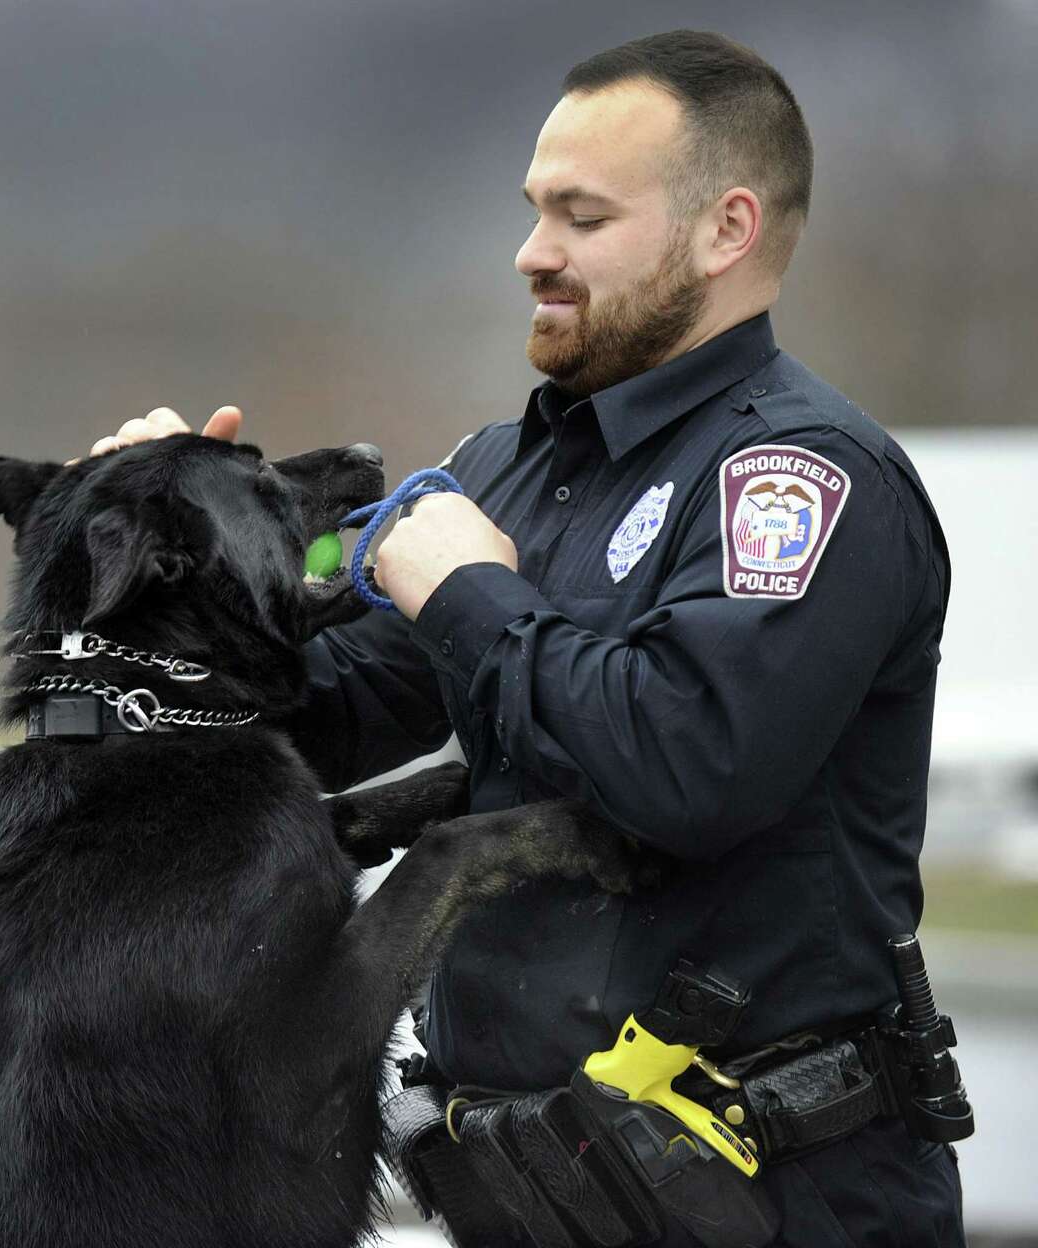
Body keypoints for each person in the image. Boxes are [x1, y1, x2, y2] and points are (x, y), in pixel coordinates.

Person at [90, 29, 965, 1246]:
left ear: (727, 231)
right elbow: (307, 736)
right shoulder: (506, 468)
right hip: (530, 1195)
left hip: (766, 1201)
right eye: (532, 210)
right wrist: (159, 578)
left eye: (582, 217)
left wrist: (470, 598)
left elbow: (689, 767)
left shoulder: (804, 480)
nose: (532, 253)